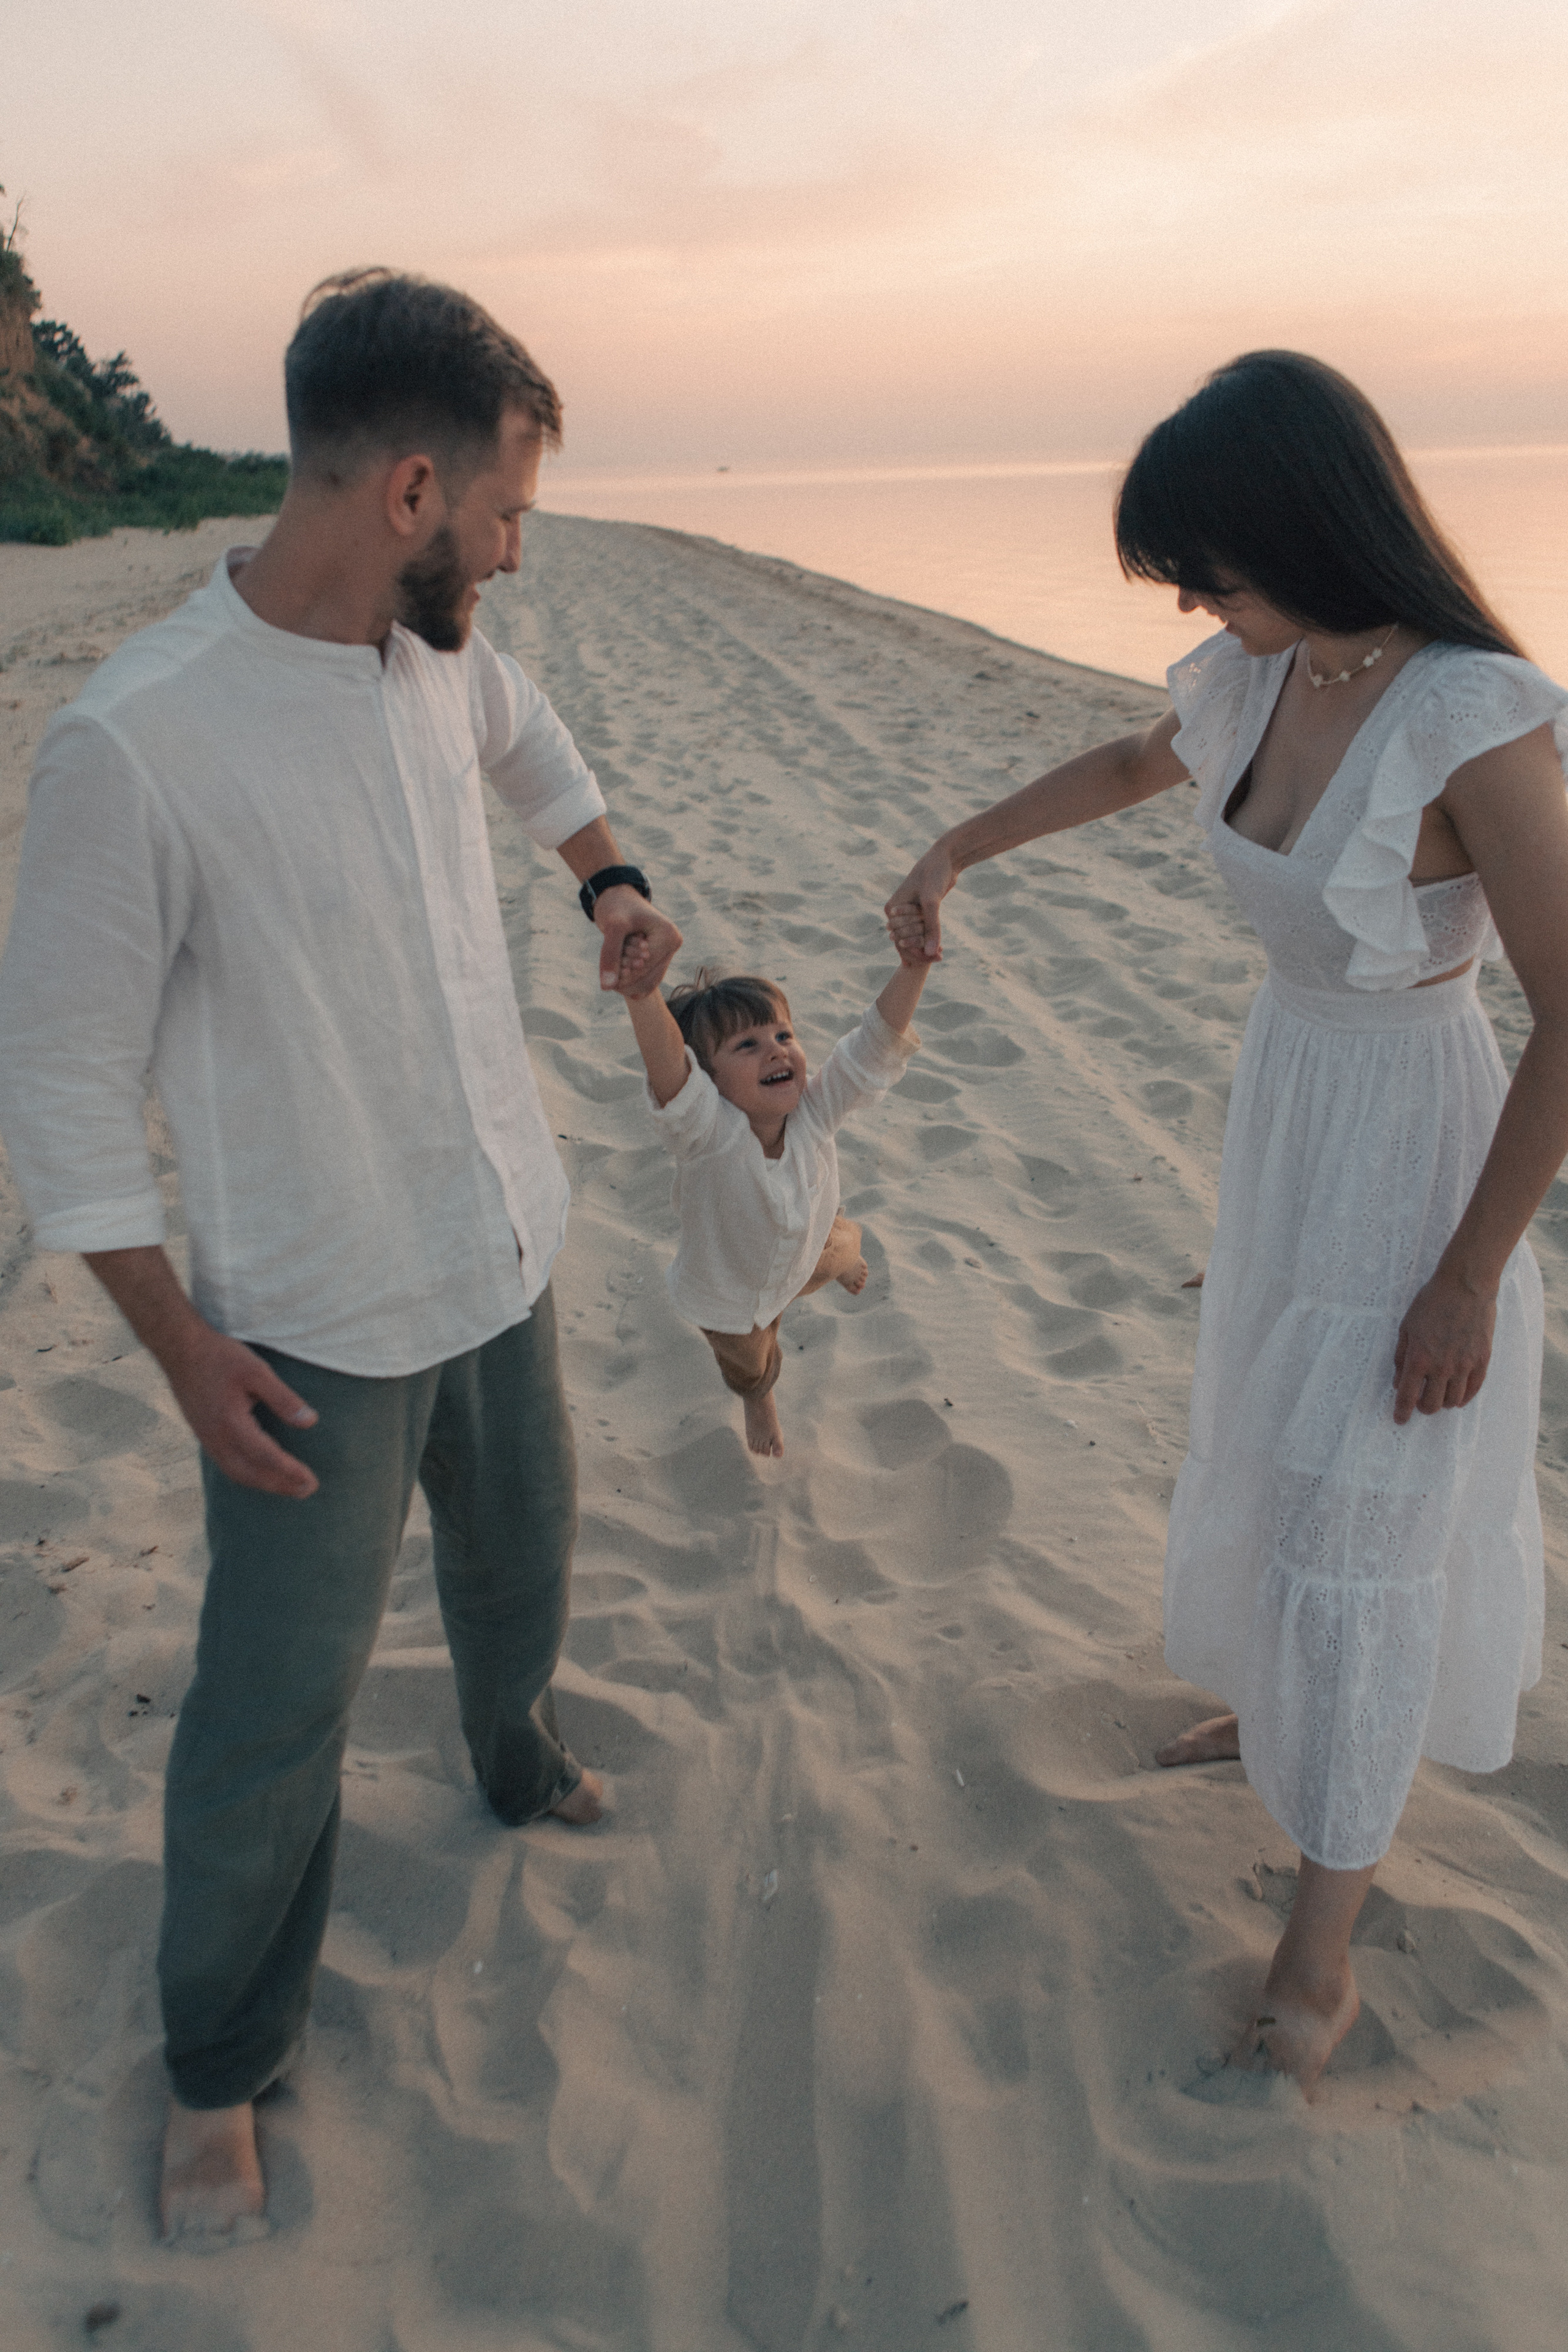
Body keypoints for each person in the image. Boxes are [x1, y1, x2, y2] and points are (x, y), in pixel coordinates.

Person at [0, 269, 683, 2244]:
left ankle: (514, 1745)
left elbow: (535, 736)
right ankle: (218, 2057)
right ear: (406, 488)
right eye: (505, 510)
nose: (519, 549)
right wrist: (178, 1345)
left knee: (519, 1558)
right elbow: (59, 1098)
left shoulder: (436, 655)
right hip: (306, 1318)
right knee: (272, 1706)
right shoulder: (136, 743)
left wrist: (610, 872)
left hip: (500, 1232)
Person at [886, 350, 1568, 2095]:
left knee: (1364, 1522)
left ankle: (1323, 1939)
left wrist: (1470, 1276)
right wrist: (957, 847)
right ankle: (1280, 1717)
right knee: (1279, 1450)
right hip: (1291, 1119)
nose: (1193, 604)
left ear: (1306, 532)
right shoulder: (1259, 673)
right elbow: (1133, 754)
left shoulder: (1473, 711)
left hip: (1418, 1149)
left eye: (1209, 569)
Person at [620, 957, 927, 1455]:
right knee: (747, 1364)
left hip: (810, 1249)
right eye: (748, 1045)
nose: (775, 1053)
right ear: (707, 1079)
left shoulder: (814, 1109)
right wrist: (641, 993)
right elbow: (668, 1069)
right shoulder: (706, 1134)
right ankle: (759, 1395)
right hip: (730, 1294)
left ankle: (846, 1259)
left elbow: (873, 1046)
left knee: (838, 1247)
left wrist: (917, 965)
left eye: (784, 1036)